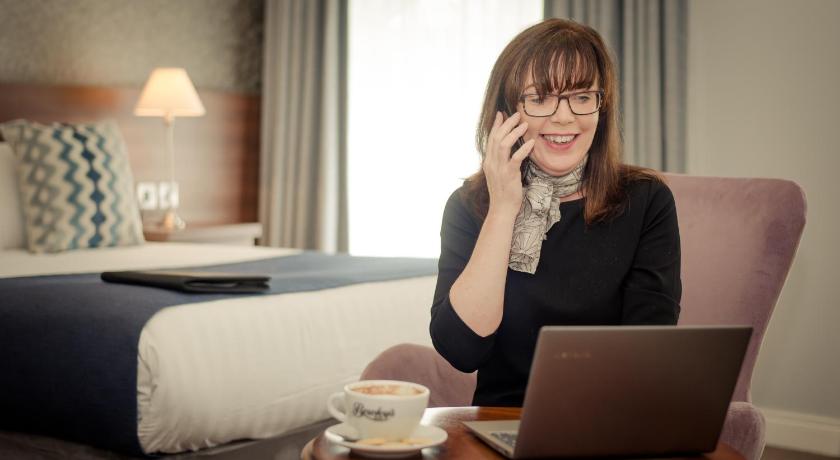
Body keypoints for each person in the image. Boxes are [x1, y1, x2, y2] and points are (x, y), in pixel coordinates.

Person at [429, 18, 681, 407]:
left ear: (602, 108)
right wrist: (504, 209)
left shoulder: (646, 200)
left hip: (610, 421)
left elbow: (648, 353)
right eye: (541, 98)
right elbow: (462, 351)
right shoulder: (469, 206)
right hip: (501, 425)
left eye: (582, 97)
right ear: (505, 114)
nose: (564, 117)